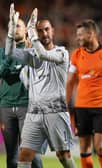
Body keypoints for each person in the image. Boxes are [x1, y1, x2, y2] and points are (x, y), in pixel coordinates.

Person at [5, 5, 76, 168]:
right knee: (24, 155)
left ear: (53, 31)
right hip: (34, 113)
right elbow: (9, 52)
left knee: (63, 156)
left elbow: (44, 54)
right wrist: (11, 30)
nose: (44, 33)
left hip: (55, 112)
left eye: (46, 29)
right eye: (40, 30)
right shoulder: (31, 56)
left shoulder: (62, 53)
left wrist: (31, 31)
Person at [66, 19, 102, 168]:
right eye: (76, 35)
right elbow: (70, 81)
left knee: (100, 148)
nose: (77, 38)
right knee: (84, 150)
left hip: (101, 107)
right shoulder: (76, 55)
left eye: (80, 35)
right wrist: (64, 104)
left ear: (91, 34)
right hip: (81, 107)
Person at [0, 4, 43, 168]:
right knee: (11, 155)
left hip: (28, 105)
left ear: (26, 31)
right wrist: (15, 65)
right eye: (12, 26)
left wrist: (12, 67)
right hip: (6, 106)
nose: (15, 28)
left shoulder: (33, 51)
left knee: (31, 153)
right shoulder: (2, 51)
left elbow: (36, 72)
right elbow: (2, 72)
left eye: (18, 25)